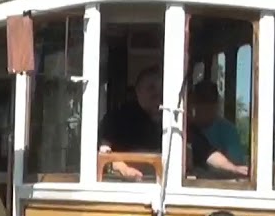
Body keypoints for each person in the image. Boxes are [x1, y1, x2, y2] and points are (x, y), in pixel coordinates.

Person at [98, 65, 247, 180]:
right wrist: (123, 168)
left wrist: (233, 168)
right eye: (150, 88)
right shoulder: (118, 118)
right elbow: (104, 152)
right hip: (127, 186)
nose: (157, 93)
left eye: (161, 88)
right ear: (138, 91)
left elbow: (206, 152)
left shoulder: (175, 118)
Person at [190, 80, 247, 166]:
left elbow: (236, 166)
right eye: (201, 101)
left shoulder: (228, 131)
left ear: (217, 104)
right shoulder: (186, 129)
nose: (205, 107)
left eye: (210, 101)